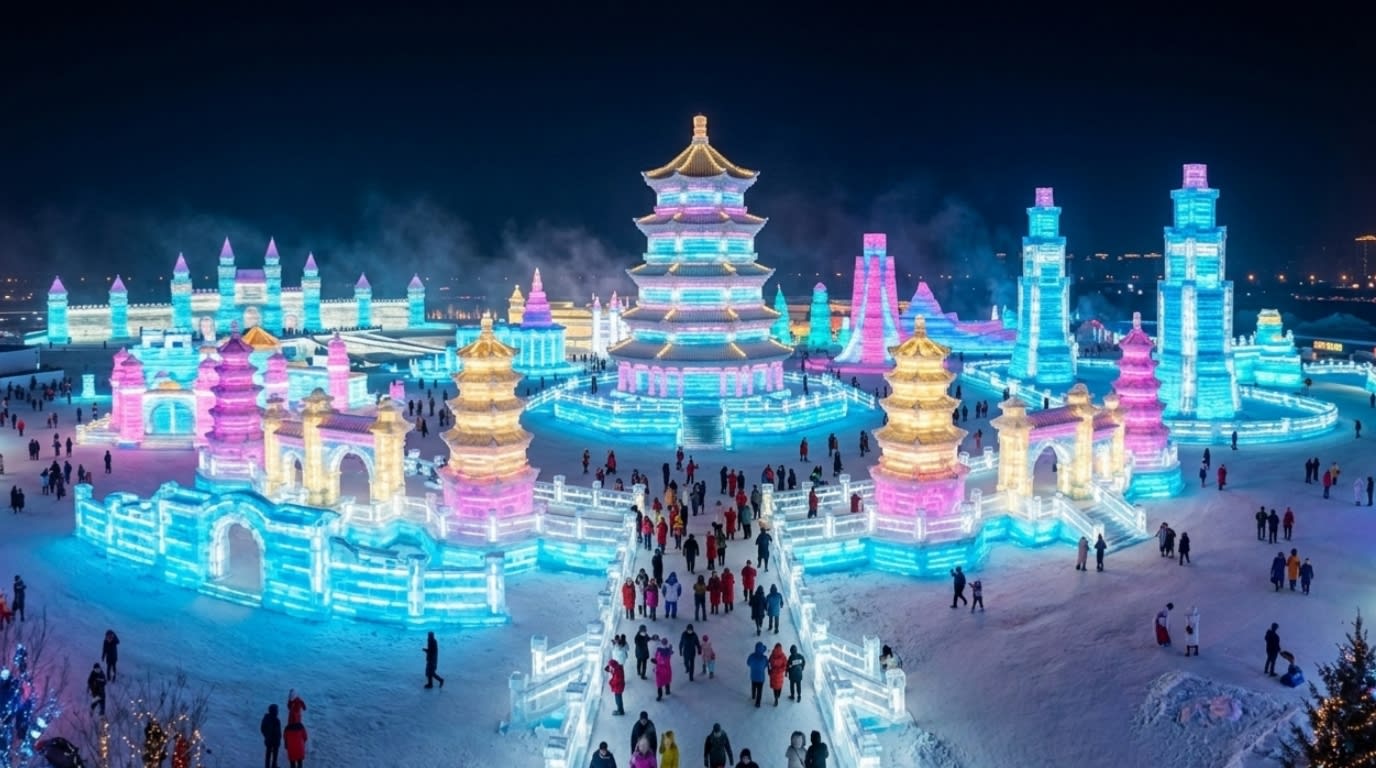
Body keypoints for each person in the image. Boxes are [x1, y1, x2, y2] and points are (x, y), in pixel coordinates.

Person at [261, 703, 283, 768]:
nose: (278, 711)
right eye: (277, 710)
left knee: (268, 754)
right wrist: (278, 739)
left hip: (269, 740)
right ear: (274, 711)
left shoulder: (266, 718)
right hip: (274, 741)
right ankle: (273, 766)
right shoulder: (276, 720)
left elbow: (262, 728)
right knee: (274, 755)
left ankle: (268, 766)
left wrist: (266, 735)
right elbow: (278, 732)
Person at [747, 642, 769, 707]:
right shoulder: (764, 658)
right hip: (761, 677)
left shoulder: (751, 656)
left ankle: (753, 695)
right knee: (760, 690)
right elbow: (766, 665)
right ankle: (758, 703)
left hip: (753, 676)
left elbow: (748, 663)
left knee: (753, 686)